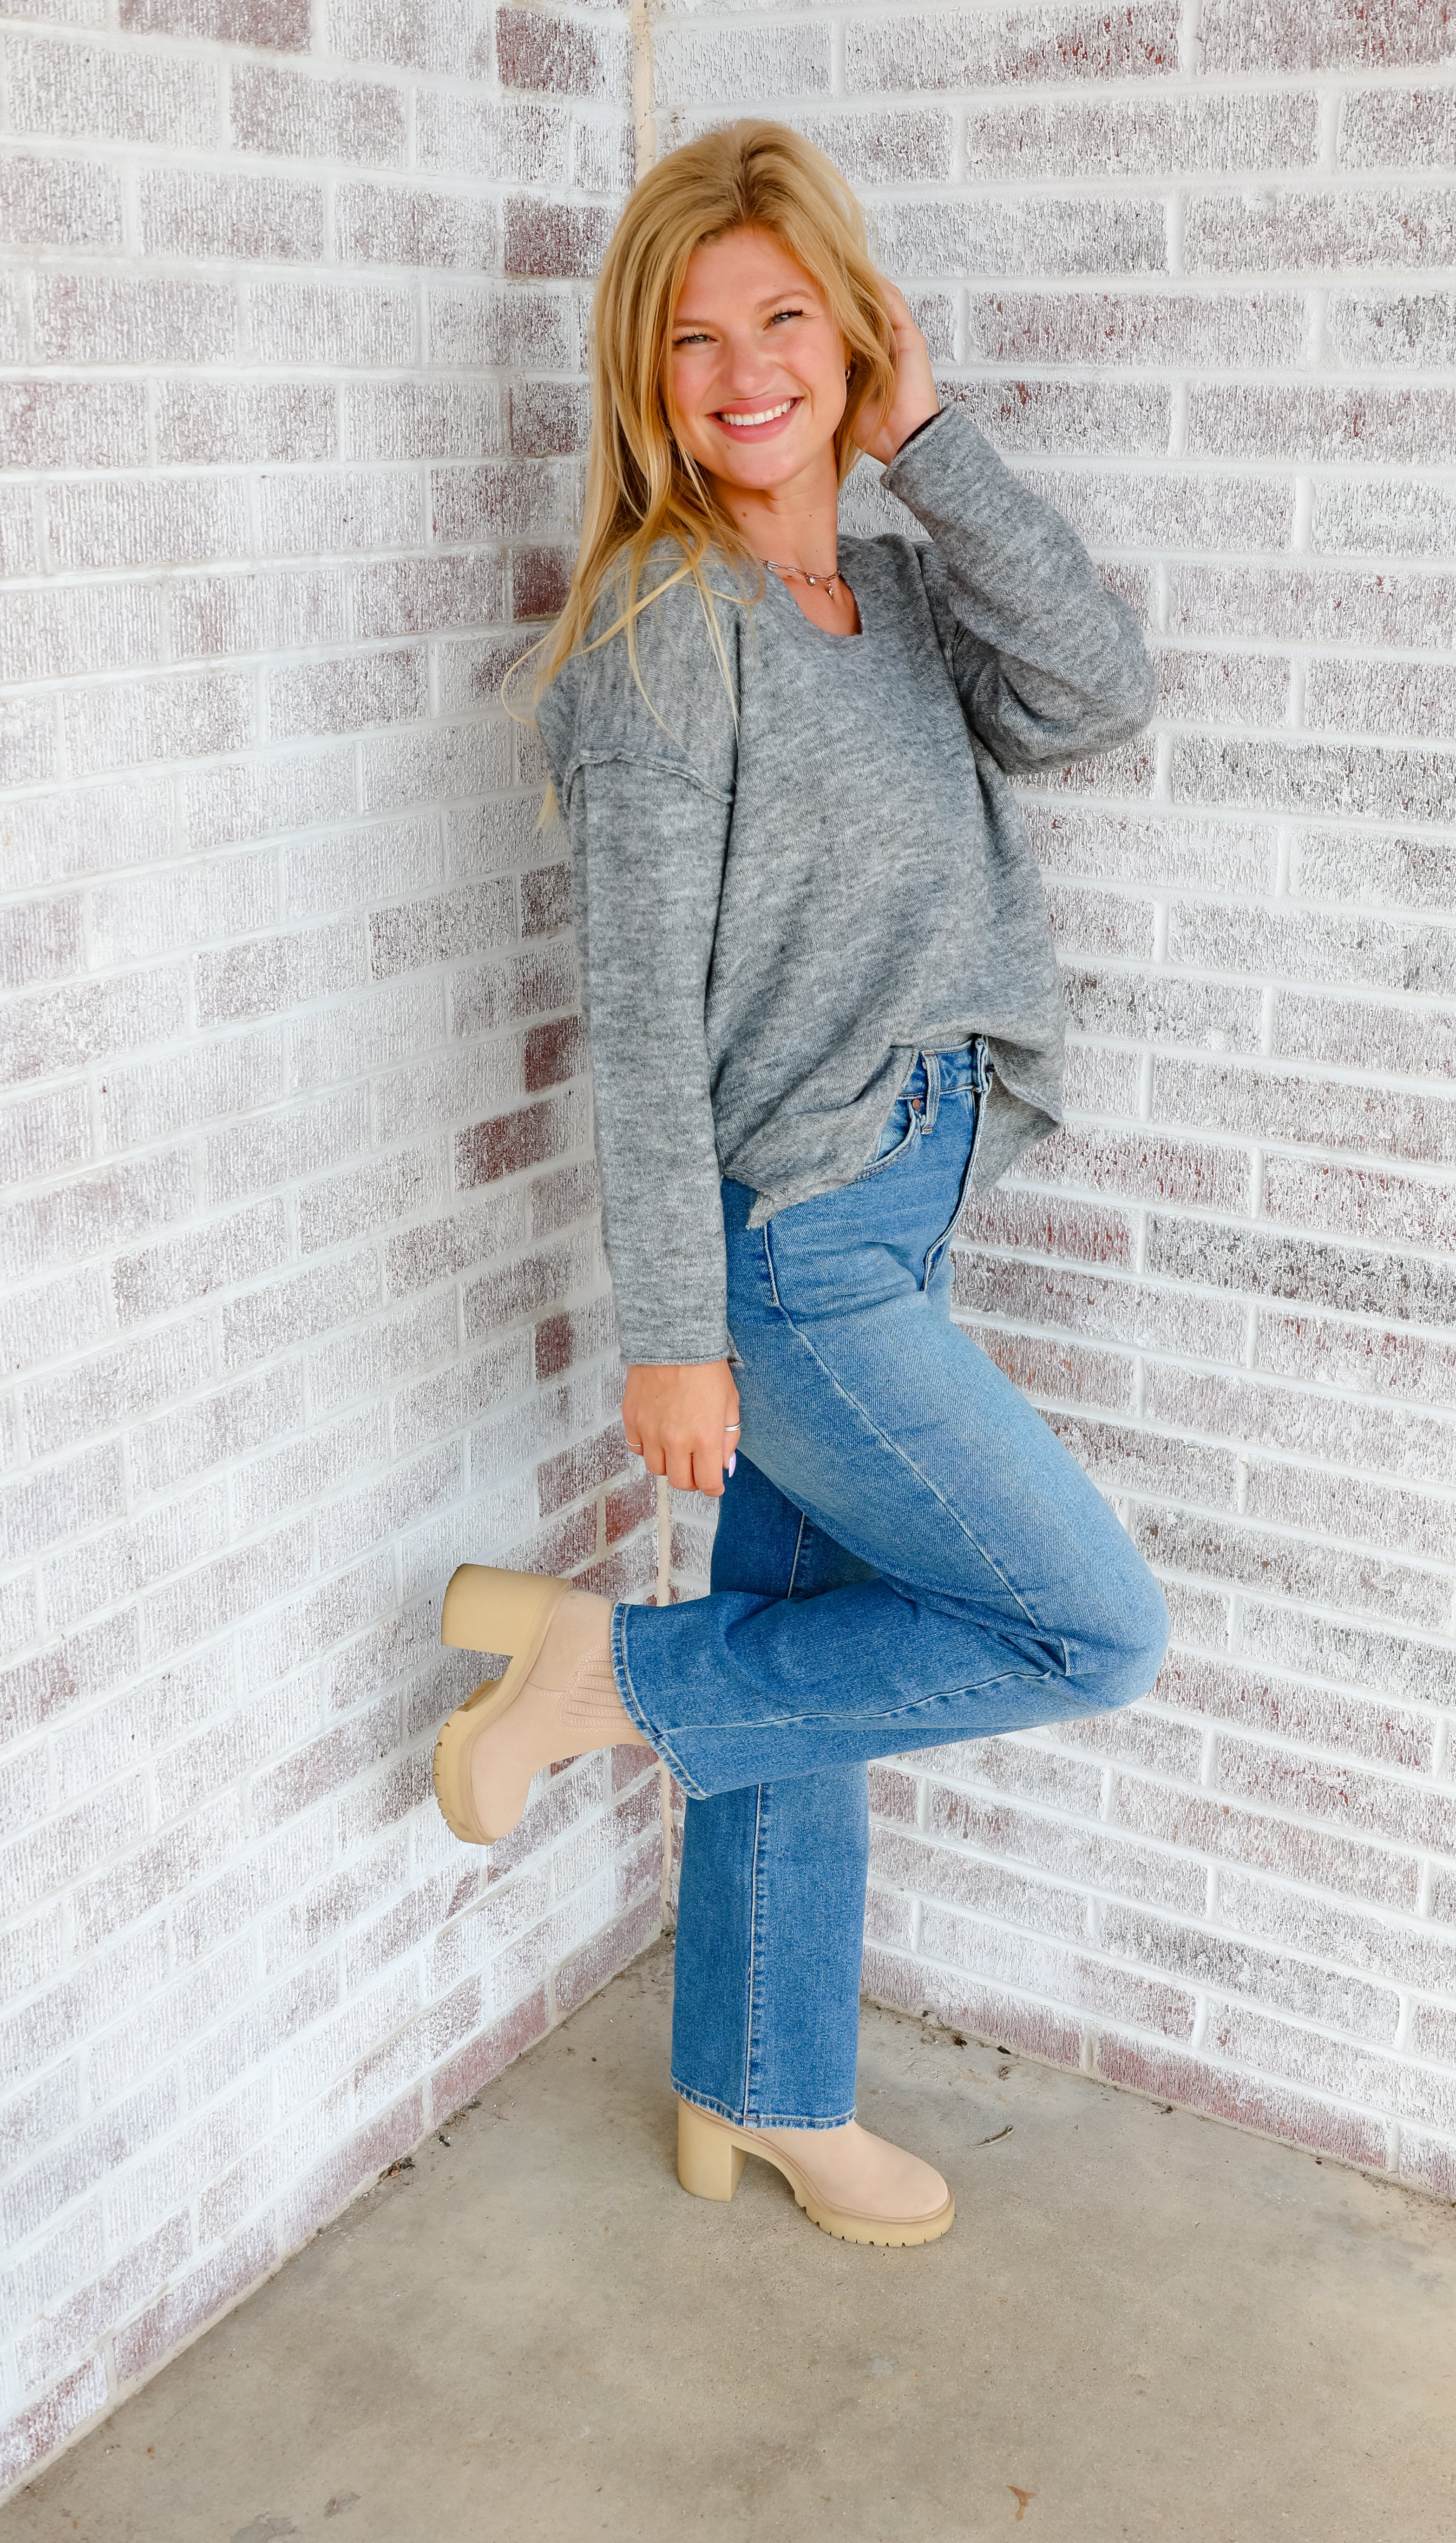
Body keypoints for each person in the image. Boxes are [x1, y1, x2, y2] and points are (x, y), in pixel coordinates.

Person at [432, 120, 1169, 2249]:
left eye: (784, 318)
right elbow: (641, 1023)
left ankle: (758, 2093)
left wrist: (930, 443)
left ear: (852, 333)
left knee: (810, 1658)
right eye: (692, 339)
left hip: (908, 1197)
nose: (746, 369)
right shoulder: (666, 631)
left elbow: (1098, 694)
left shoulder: (907, 601)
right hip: (793, 1248)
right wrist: (676, 1330)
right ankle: (607, 1675)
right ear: (646, 387)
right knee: (1084, 1627)